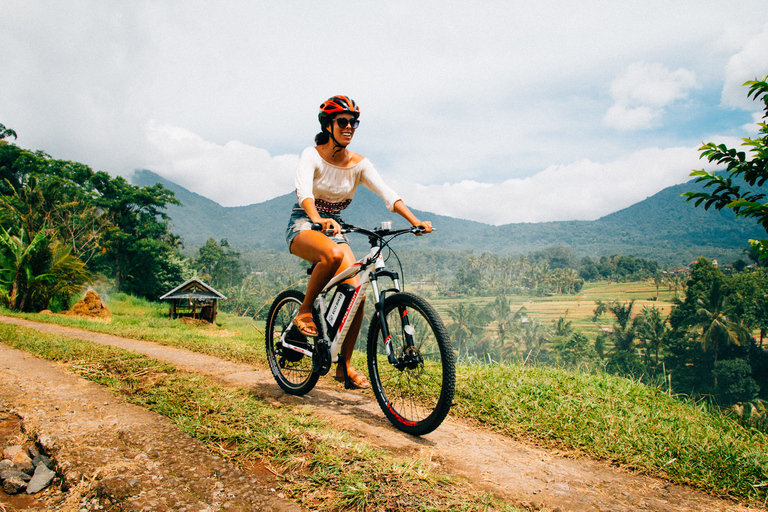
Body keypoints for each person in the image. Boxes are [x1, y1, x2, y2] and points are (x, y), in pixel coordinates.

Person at [285, 95, 432, 389]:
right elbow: (305, 194)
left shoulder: (359, 164)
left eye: (354, 122)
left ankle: (345, 367)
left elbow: (388, 193)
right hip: (304, 224)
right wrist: (318, 219)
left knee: (357, 294)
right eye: (343, 121)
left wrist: (414, 221)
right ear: (328, 125)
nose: (349, 126)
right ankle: (304, 311)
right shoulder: (311, 156)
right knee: (328, 254)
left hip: (334, 229)